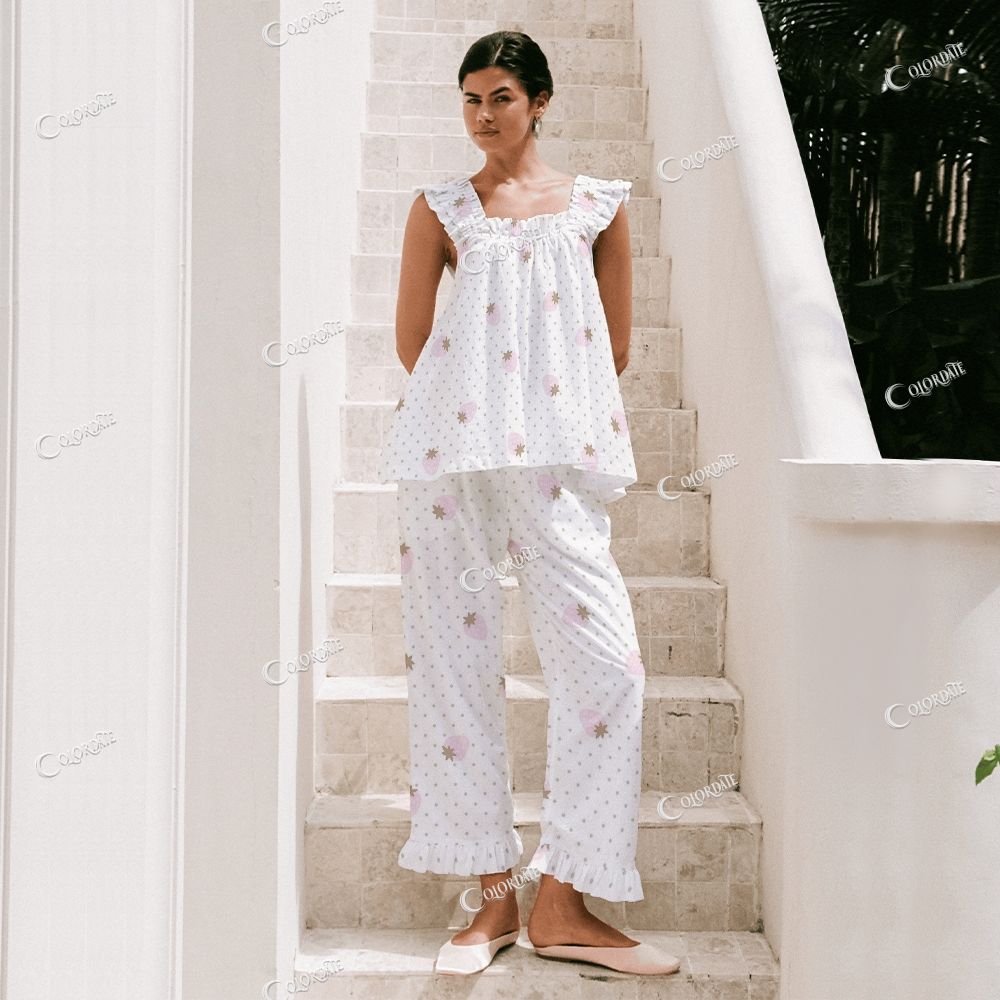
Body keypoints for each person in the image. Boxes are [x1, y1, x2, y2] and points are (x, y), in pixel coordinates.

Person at [376, 30, 679, 978]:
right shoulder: (439, 208)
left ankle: (565, 902)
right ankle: (491, 900)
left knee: (608, 668)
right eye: (470, 98)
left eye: (501, 96)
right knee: (453, 667)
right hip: (448, 459)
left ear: (539, 101)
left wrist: (534, 406)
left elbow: (612, 348)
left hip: (555, 457)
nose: (483, 115)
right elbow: (413, 342)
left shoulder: (597, 207)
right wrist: (480, 404)